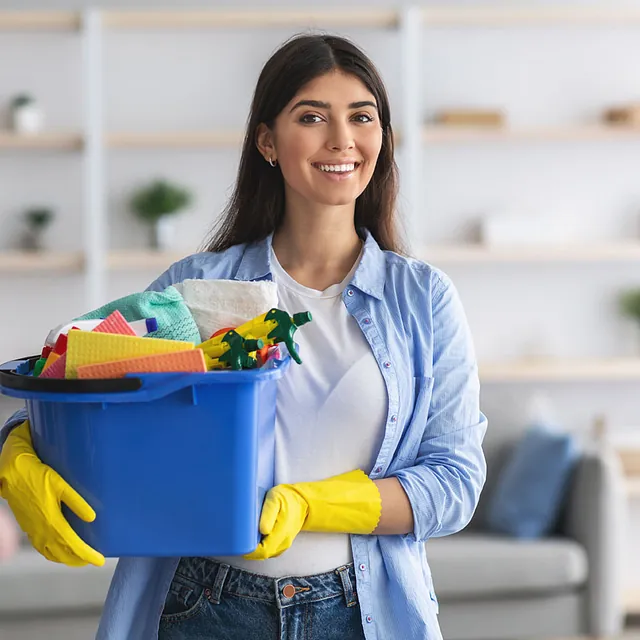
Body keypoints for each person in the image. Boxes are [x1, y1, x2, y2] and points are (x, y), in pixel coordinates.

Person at [0, 34, 487, 640]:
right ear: (267, 142)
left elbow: (455, 483)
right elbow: (83, 376)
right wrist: (15, 450)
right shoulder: (196, 288)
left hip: (358, 613)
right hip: (202, 604)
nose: (342, 138)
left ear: (381, 138)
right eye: (311, 117)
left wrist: (313, 505)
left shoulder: (422, 300)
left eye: (362, 116)